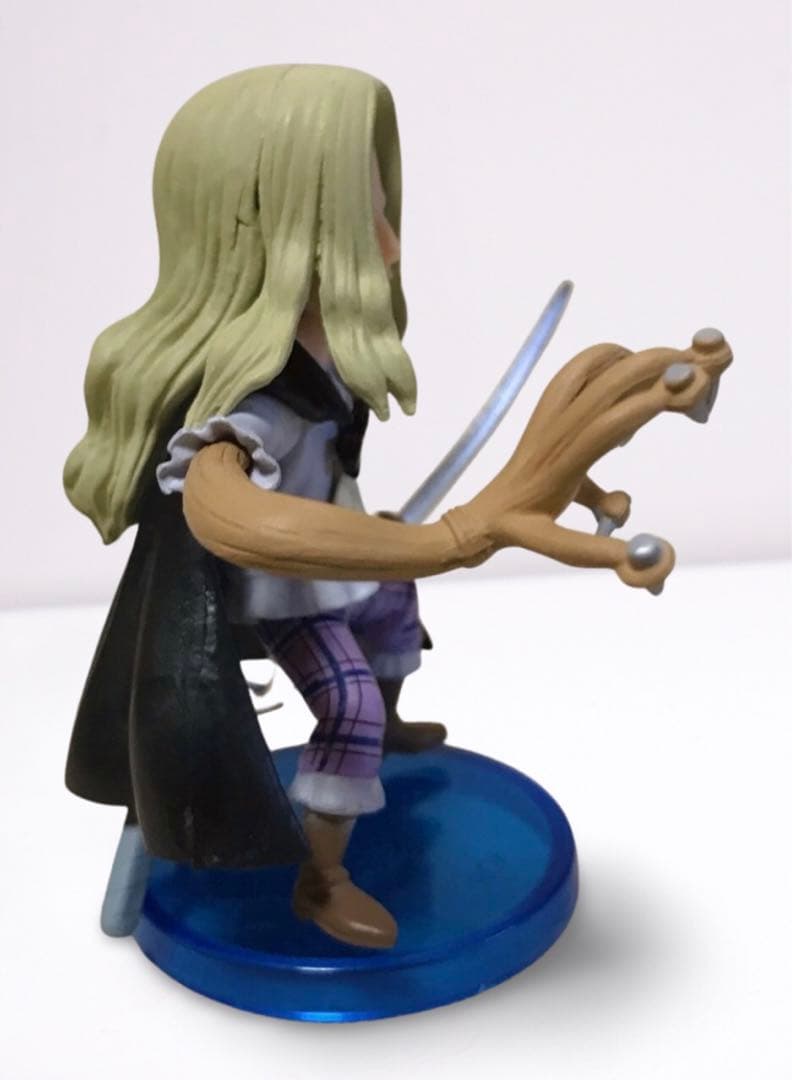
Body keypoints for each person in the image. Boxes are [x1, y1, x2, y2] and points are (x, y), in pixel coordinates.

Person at [64, 64, 729, 951]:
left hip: (343, 549)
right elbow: (226, 515)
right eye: (356, 221)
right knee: (348, 704)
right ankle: (323, 880)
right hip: (285, 589)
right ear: (265, 233)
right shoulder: (249, 399)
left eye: (381, 216)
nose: (385, 247)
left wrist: (567, 486)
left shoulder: (323, 353)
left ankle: (387, 722)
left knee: (392, 615)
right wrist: (448, 538)